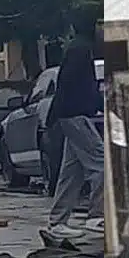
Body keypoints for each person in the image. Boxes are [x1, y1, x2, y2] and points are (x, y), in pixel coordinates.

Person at [47, 36, 105, 237]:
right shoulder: (82, 50)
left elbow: (71, 86)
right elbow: (81, 88)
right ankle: (96, 216)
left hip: (68, 115)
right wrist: (96, 105)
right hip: (76, 115)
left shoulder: (77, 48)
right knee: (102, 163)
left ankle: (57, 222)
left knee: (72, 171)